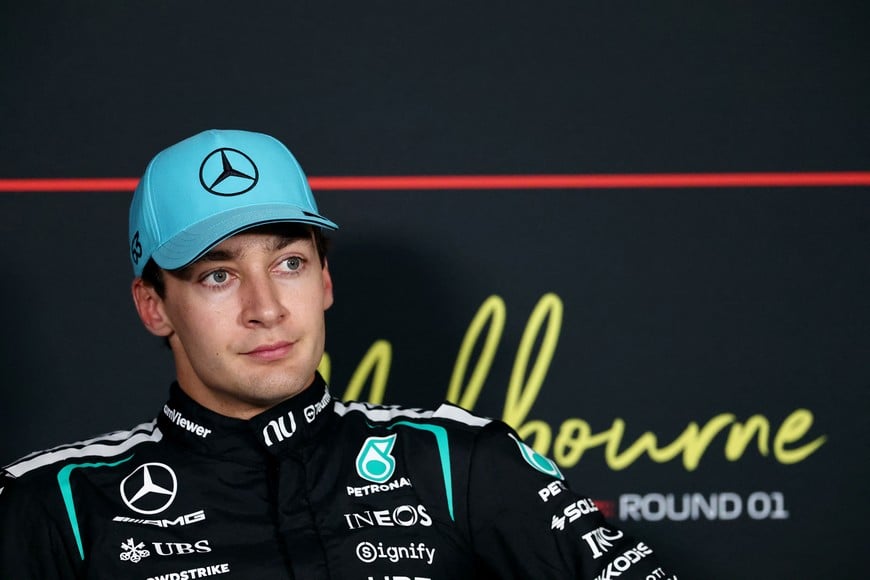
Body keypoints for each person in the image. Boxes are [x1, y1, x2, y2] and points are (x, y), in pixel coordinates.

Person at [0, 129, 675, 579]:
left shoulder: (457, 462)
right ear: (154, 306)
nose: (265, 307)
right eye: (218, 275)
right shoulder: (55, 505)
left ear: (324, 282)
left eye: (289, 263)